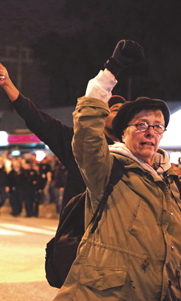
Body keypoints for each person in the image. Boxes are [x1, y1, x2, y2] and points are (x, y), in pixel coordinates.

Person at [54, 40, 181, 300]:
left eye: (157, 126)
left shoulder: (171, 182)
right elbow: (88, 132)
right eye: (142, 124)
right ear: (123, 133)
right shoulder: (108, 168)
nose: (150, 132)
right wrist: (112, 70)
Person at [0, 60, 127, 211]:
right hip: (79, 231)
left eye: (125, 112)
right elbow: (37, 119)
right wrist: (7, 84)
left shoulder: (134, 155)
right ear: (100, 117)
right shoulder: (78, 144)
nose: (120, 114)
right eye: (115, 109)